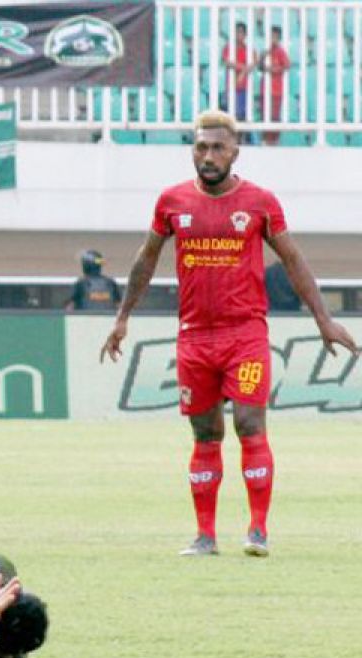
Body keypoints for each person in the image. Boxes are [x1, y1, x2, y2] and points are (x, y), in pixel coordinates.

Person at [99, 110, 358, 559]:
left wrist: (323, 319)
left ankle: (257, 530)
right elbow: (146, 258)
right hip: (194, 337)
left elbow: (294, 260)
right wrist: (123, 316)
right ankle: (205, 536)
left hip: (245, 334)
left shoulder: (259, 202)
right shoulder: (171, 202)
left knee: (249, 424)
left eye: (218, 147)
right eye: (201, 147)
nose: (209, 155)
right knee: (205, 433)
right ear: (192, 151)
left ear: (235, 151)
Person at [257, 26, 290, 146]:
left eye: (275, 37)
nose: (273, 39)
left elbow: (286, 65)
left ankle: (274, 140)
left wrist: (273, 69)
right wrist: (262, 58)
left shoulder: (280, 52)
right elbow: (260, 67)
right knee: (264, 114)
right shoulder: (266, 52)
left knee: (274, 115)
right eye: (271, 36)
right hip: (265, 89)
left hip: (276, 89)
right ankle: (265, 140)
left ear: (279, 38)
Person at [221, 23, 255, 137]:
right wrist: (243, 68)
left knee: (241, 116)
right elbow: (227, 62)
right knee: (229, 116)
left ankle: (240, 141)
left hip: (243, 88)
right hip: (230, 87)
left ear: (245, 35)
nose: (238, 35)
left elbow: (253, 63)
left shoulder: (249, 50)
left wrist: (242, 73)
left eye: (241, 32)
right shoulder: (228, 48)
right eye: (236, 32)